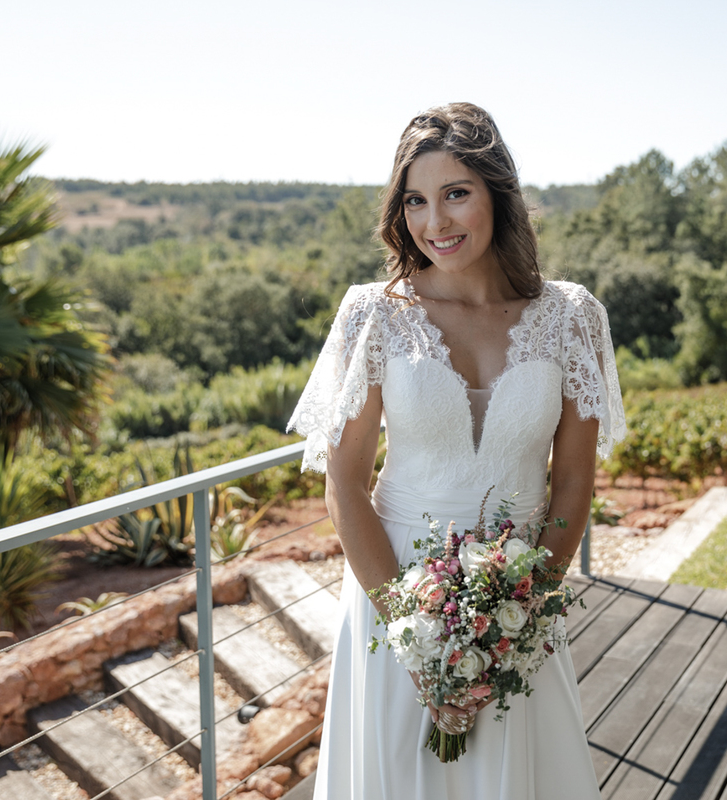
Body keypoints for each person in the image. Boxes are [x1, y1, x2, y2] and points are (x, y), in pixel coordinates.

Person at [287, 102, 626, 800]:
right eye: (415, 200)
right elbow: (344, 487)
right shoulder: (373, 315)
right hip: (394, 602)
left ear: (497, 194)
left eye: (455, 194)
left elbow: (571, 488)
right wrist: (413, 634)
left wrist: (520, 618)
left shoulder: (572, 317)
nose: (434, 223)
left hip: (517, 614)